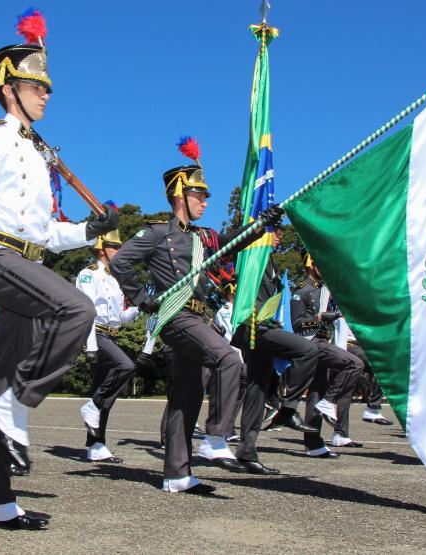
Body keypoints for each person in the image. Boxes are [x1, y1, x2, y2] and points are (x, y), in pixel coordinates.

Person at [0, 20, 117, 528]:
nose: (45, 95)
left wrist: (88, 230)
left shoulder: (39, 156)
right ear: (9, 88)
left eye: (47, 88)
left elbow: (42, 232)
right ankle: (22, 399)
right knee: (76, 309)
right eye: (37, 86)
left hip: (26, 262)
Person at [110, 142, 279, 493]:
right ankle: (216, 435)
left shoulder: (205, 237)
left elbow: (230, 244)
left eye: (205, 196)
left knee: (185, 397)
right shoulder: (158, 233)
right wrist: (143, 300)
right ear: (179, 195)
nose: (205, 201)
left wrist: (261, 227)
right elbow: (121, 261)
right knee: (229, 359)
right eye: (199, 195)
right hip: (176, 317)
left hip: (199, 319)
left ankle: (176, 474)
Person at [230, 227, 320, 474]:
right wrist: (255, 230)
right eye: (275, 231)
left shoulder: (270, 261)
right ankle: (287, 407)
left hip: (264, 326)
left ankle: (247, 451)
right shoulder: (253, 255)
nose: (280, 236)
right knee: (308, 350)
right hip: (254, 326)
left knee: (257, 389)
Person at [75, 227, 139, 463]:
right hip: (96, 335)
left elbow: (119, 318)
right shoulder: (89, 274)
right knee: (126, 366)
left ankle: (96, 445)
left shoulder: (115, 279)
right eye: (115, 247)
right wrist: (90, 346)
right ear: (102, 249)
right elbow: (88, 312)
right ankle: (91, 406)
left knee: (103, 391)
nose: (119, 251)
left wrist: (141, 307)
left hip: (110, 335)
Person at [291, 257, 364, 458]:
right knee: (354, 363)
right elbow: (297, 324)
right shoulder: (302, 290)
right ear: (312, 265)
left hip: (325, 342)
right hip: (312, 343)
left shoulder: (325, 289)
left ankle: (313, 444)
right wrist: (320, 318)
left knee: (316, 392)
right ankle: (330, 402)